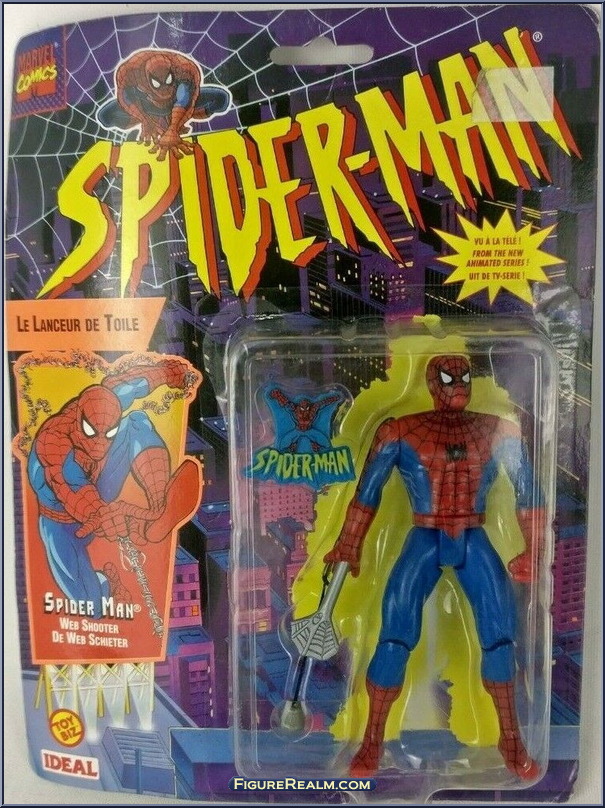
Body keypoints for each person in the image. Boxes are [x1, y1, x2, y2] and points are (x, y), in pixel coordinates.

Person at [325, 355, 544, 779]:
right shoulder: (399, 431)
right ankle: (371, 741)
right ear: (431, 382)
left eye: (463, 376)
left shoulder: (499, 430)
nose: (457, 384)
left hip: (474, 536)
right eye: (446, 377)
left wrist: (533, 547)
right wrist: (349, 543)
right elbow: (367, 492)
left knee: (500, 640)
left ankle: (511, 738)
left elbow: (528, 489)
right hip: (423, 536)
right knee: (393, 639)